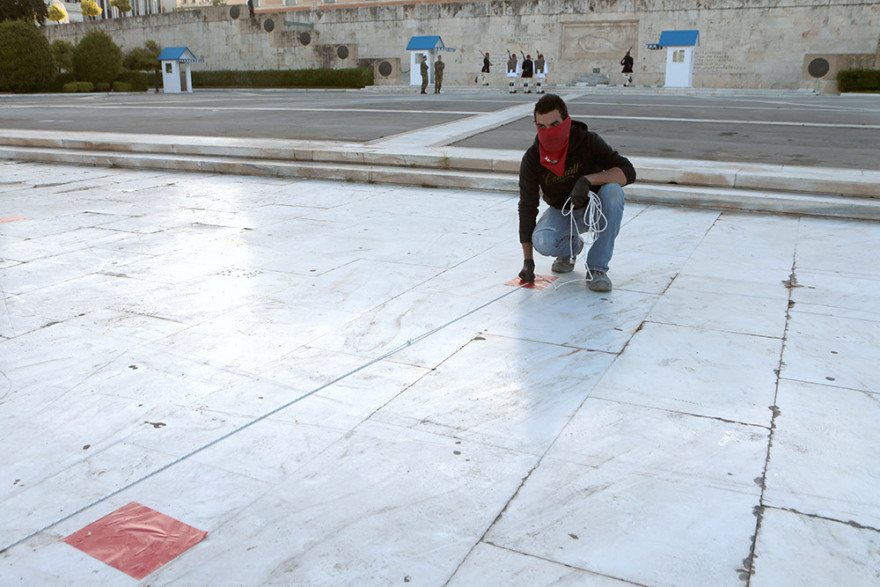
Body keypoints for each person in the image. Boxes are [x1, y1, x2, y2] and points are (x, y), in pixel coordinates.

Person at [517, 94, 636, 292]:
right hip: (563, 212)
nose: (549, 132)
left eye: (555, 124)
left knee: (614, 192)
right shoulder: (533, 157)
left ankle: (597, 268)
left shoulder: (588, 141)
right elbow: (527, 206)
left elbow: (628, 172)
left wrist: (589, 180)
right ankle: (571, 248)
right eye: (542, 126)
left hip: (596, 211)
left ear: (566, 121)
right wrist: (528, 261)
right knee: (543, 241)